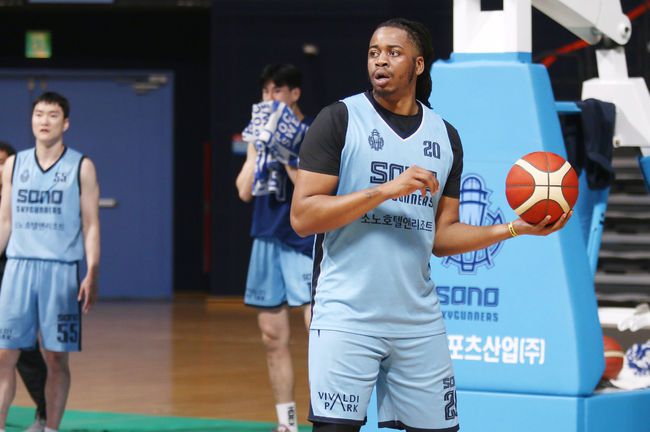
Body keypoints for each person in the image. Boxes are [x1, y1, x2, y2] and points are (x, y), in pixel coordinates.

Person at [291, 18, 572, 432]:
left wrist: (514, 229)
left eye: (393, 53)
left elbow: (442, 236)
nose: (380, 61)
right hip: (346, 314)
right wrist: (386, 190)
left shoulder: (445, 136)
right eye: (373, 53)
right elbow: (303, 217)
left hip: (417, 320)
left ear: (418, 64)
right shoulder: (339, 120)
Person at [0, 92, 100, 432]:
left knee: (56, 358)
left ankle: (51, 428)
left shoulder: (81, 166)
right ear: (31, 120)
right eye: (39, 114)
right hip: (18, 269)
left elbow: (91, 225)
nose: (44, 120)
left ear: (65, 123)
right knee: (4, 355)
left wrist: (93, 270)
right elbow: (5, 222)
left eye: (53, 115)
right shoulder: (14, 164)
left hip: (60, 272)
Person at [236, 64, 314, 432]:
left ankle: (329, 418)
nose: (271, 98)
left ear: (294, 94)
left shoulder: (313, 133)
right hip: (266, 236)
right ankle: (287, 422)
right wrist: (259, 150)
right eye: (266, 92)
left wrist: (286, 153)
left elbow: (311, 189)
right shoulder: (257, 134)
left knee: (319, 332)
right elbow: (243, 191)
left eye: (277, 91)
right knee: (271, 336)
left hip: (303, 239)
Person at [0, 142, 48, 432]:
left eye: (3, 162)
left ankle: (45, 413)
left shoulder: (24, 198)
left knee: (22, 351)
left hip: (15, 276)